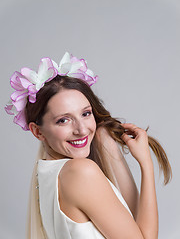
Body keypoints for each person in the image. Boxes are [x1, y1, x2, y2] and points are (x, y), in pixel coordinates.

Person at [5, 52, 172, 239]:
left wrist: (103, 138)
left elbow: (132, 222)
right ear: (38, 131)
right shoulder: (80, 171)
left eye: (85, 114)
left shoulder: (46, 172)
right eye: (63, 120)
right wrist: (146, 164)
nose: (82, 130)